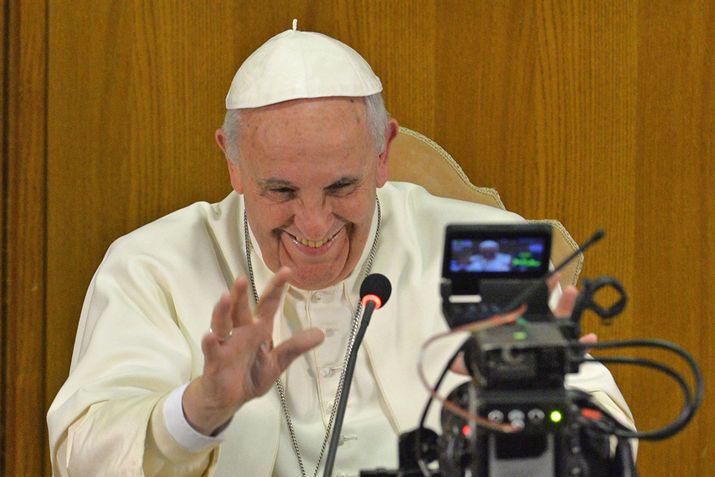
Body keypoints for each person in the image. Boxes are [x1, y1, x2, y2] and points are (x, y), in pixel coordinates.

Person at [47, 24, 634, 477]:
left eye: (341, 187)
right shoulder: (151, 265)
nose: (313, 222)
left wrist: (521, 398)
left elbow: (611, 438)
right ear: (232, 160)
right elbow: (80, 451)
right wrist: (198, 410)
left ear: (384, 152)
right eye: (280, 190)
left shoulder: (483, 247)